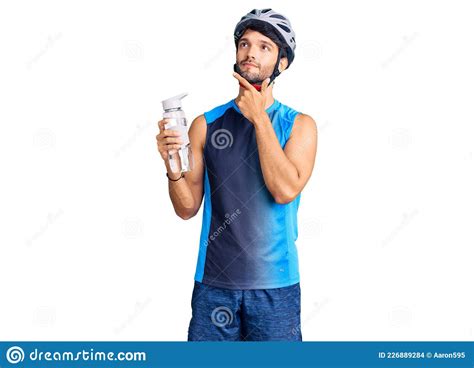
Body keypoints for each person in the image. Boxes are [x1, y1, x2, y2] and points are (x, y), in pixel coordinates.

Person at [156, 8, 318, 341]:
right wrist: (171, 164)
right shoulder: (206, 124)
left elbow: (284, 189)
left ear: (282, 64)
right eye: (244, 44)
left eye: (264, 47)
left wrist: (259, 118)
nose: (250, 53)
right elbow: (186, 208)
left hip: (276, 288)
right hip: (214, 285)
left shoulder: (300, 126)